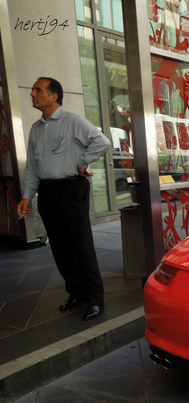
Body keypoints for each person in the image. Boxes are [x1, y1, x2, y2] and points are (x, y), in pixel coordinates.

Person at [17, 77, 111, 321]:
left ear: (53, 96)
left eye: (38, 90)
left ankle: (95, 299)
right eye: (33, 89)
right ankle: (76, 293)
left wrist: (82, 162)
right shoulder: (36, 128)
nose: (32, 94)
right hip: (47, 193)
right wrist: (28, 196)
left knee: (81, 245)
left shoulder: (72, 121)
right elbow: (32, 166)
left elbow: (101, 141)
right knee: (60, 248)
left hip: (71, 189)